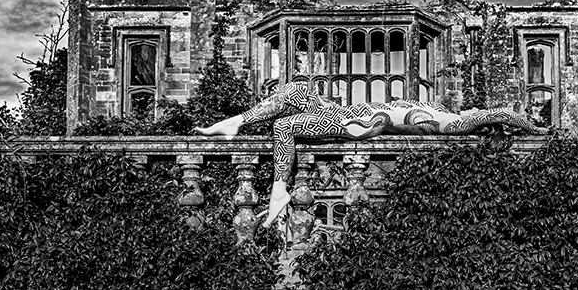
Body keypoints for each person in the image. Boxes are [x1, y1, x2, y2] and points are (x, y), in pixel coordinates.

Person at [195, 80, 549, 226]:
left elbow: (500, 115)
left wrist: (536, 130)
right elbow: (498, 115)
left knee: (286, 118)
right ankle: (238, 125)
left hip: (356, 120)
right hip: (351, 117)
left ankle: (276, 185)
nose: (472, 111)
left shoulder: (450, 123)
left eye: (476, 117)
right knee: (293, 99)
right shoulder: (442, 117)